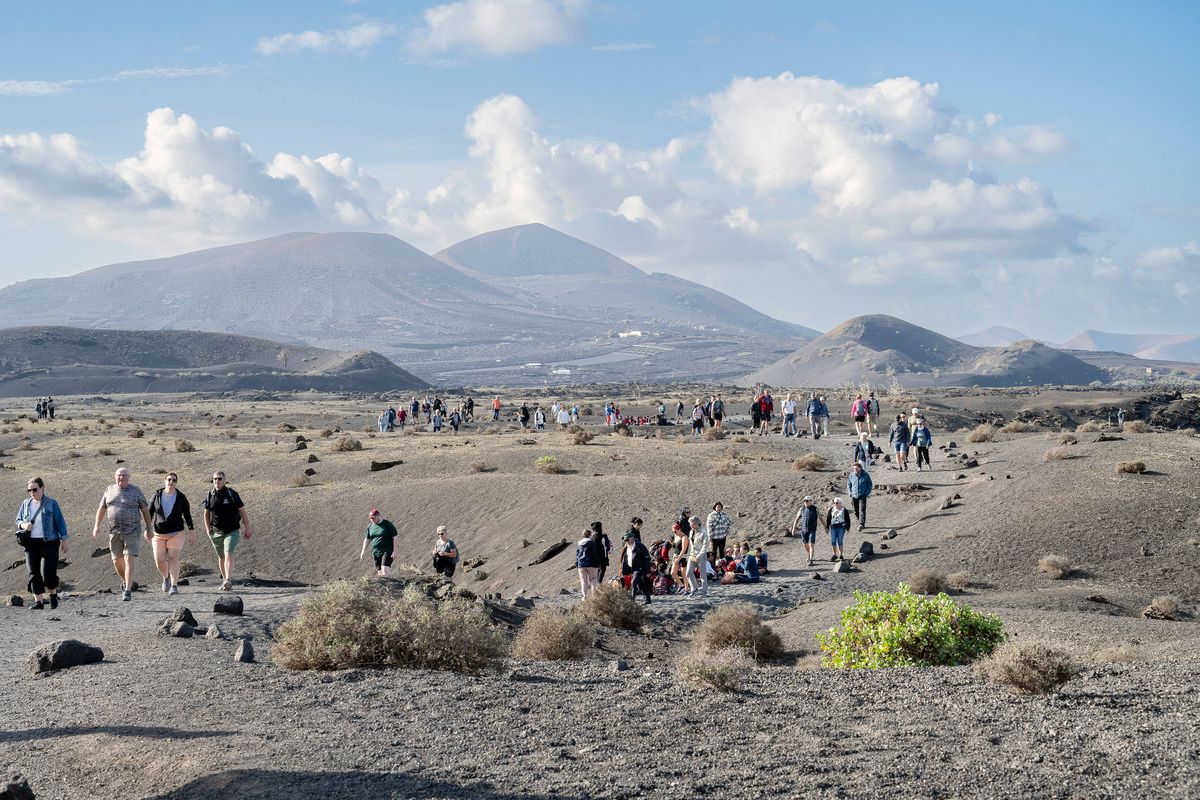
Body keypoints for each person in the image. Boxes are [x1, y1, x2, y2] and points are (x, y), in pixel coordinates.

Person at [91, 467, 151, 601]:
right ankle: (127, 581)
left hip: (132, 530)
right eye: (119, 475)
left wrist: (149, 528)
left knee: (128, 558)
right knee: (117, 561)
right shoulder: (109, 489)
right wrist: (96, 526)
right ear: (115, 476)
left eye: (124, 475)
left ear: (129, 477)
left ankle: (128, 590)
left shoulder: (135, 491)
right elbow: (102, 508)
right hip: (114, 531)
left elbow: (145, 510)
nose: (121, 477)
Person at [16, 477, 69, 610]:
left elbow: (60, 522)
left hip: (49, 542)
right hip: (31, 543)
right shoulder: (26, 503)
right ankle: (39, 602)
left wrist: (64, 540)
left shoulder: (51, 503)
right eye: (29, 490)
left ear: (42, 488)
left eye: (34, 489)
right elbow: (18, 520)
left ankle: (53, 594)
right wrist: (24, 525)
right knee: (33, 572)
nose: (32, 493)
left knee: (48, 573)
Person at [202, 470, 251, 591]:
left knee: (228, 552)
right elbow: (206, 514)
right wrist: (208, 530)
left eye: (219, 479)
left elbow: (242, 511)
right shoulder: (210, 495)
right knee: (221, 557)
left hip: (232, 530)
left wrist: (247, 528)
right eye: (214, 479)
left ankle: (228, 579)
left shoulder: (231, 494)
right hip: (216, 532)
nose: (217, 481)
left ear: (224, 480)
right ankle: (225, 581)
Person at [148, 472, 195, 595]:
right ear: (165, 481)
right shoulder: (157, 495)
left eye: (174, 480)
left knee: (173, 558)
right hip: (158, 534)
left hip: (176, 533)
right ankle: (166, 577)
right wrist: (147, 528)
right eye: (169, 479)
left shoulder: (181, 497)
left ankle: (174, 586)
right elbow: (149, 512)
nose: (171, 482)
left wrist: (191, 531)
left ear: (176, 483)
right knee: (159, 560)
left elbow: (187, 515)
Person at [359, 508, 398, 577]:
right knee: (380, 572)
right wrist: (363, 551)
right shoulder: (370, 526)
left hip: (387, 550)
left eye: (373, 518)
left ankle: (390, 583)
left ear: (378, 515)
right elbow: (367, 539)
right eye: (371, 518)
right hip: (376, 552)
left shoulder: (387, 524)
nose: (372, 520)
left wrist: (395, 551)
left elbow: (395, 537)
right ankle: (386, 584)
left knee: (385, 568)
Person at [622, 521, 652, 605]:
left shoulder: (640, 546)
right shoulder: (627, 547)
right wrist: (625, 572)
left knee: (634, 582)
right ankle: (648, 599)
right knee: (640, 585)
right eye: (625, 541)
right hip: (633, 568)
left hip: (640, 568)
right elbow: (626, 560)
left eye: (627, 540)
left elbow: (647, 558)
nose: (626, 542)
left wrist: (648, 570)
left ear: (632, 538)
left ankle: (632, 600)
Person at [790, 495, 819, 567]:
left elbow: (820, 518)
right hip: (804, 529)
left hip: (812, 529)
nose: (805, 502)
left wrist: (825, 527)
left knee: (811, 544)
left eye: (807, 501)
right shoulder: (801, 509)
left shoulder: (815, 509)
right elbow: (797, 519)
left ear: (811, 501)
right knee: (805, 544)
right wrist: (793, 529)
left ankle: (811, 560)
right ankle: (809, 554)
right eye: (804, 501)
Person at [686, 514, 710, 597]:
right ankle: (694, 588)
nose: (691, 525)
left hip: (701, 556)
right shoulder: (691, 532)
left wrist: (699, 556)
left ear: (697, 523)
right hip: (692, 555)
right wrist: (688, 555)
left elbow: (705, 546)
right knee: (688, 572)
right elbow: (691, 545)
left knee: (702, 574)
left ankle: (704, 591)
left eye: (692, 523)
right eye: (690, 523)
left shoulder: (704, 532)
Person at [575, 527, 602, 598]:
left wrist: (577, 564)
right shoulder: (591, 543)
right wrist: (598, 563)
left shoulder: (579, 543)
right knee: (593, 580)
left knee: (583, 581)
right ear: (589, 535)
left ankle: (585, 596)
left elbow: (577, 554)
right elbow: (595, 554)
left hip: (581, 565)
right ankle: (594, 596)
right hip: (592, 564)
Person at [848, 461, 873, 531]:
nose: (855, 470)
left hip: (863, 495)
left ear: (860, 468)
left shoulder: (866, 475)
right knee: (856, 510)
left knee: (862, 510)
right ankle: (859, 519)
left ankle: (862, 524)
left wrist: (866, 493)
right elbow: (849, 484)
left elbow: (869, 484)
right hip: (854, 495)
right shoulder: (851, 475)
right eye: (854, 468)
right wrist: (850, 493)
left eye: (856, 468)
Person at [824, 498, 851, 562]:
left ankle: (841, 555)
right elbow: (828, 518)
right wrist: (827, 527)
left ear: (840, 503)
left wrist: (848, 528)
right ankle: (834, 555)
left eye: (836, 503)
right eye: (834, 503)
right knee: (833, 541)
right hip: (833, 527)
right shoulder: (831, 509)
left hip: (841, 527)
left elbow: (847, 519)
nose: (835, 504)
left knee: (840, 541)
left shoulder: (844, 510)